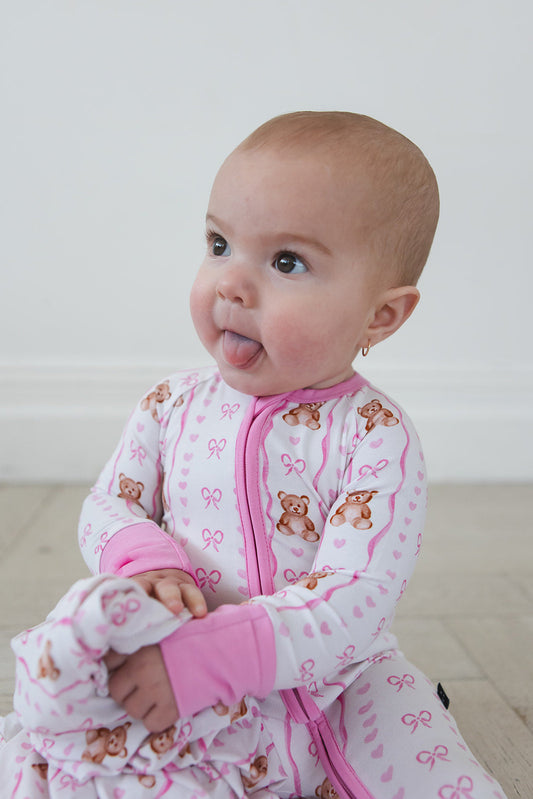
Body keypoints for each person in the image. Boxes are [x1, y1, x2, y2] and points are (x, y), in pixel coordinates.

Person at [76, 111, 507, 798]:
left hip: (342, 681)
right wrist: (146, 560)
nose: (231, 283)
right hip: (175, 661)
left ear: (380, 316)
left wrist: (219, 654)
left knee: (436, 768)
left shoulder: (375, 434)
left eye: (286, 262)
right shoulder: (170, 405)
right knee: (81, 752)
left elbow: (357, 593)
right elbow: (108, 505)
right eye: (219, 244)